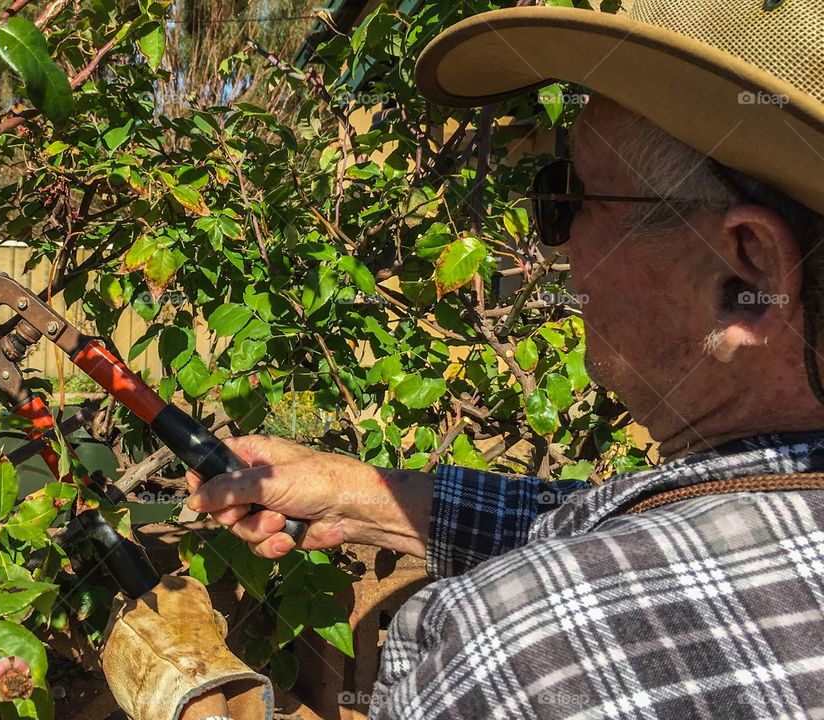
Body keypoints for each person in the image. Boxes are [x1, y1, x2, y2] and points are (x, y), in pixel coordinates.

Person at [186, 0, 824, 716]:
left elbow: (616, 579)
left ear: (746, 275)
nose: (556, 246)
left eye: (567, 198)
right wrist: (362, 493)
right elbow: (653, 529)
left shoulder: (525, 658)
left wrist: (192, 698)